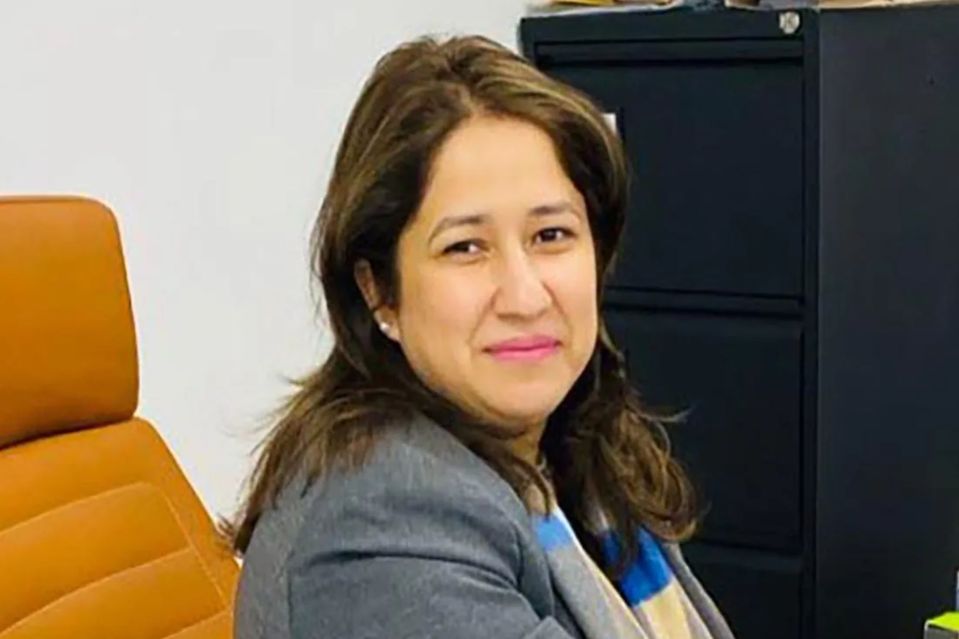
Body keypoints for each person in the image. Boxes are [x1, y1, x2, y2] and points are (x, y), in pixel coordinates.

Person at [230, 34, 735, 639]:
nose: (524, 297)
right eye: (465, 247)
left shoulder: (567, 454)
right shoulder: (381, 528)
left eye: (551, 235)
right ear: (379, 291)